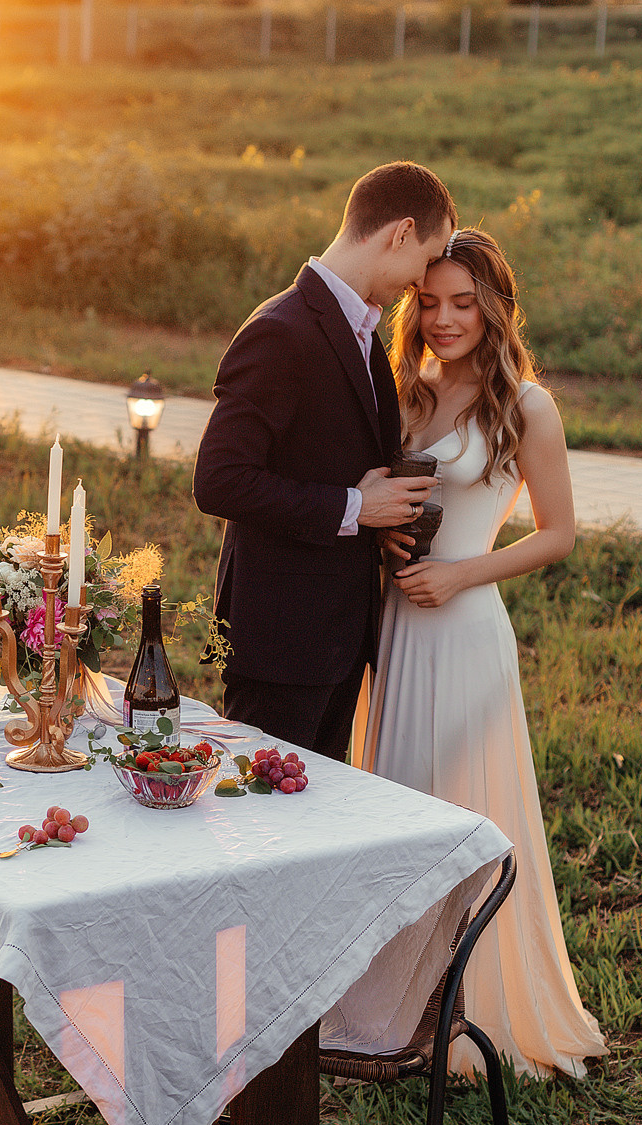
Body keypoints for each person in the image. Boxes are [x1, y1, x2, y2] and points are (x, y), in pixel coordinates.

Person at [353, 228, 608, 1078]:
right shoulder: (406, 390)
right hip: (395, 628)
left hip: (463, 632)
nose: (445, 318)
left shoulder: (526, 405)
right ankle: (388, 1011)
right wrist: (388, 548)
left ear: (494, 308)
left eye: (464, 303)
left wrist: (462, 572)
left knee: (456, 809)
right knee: (394, 806)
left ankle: (474, 1011)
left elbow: (560, 532)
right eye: (429, 302)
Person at [193, 161, 454, 762]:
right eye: (425, 259)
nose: (421, 281)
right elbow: (219, 481)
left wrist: (379, 524)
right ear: (400, 233)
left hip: (339, 636)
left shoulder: (362, 328)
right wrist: (356, 507)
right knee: (265, 827)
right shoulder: (280, 330)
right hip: (281, 642)